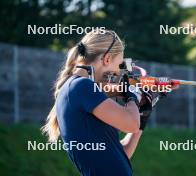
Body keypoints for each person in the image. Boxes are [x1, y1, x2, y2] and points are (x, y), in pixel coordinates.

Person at [41, 30, 157, 176]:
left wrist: (143, 113)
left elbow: (120, 155)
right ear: (107, 59)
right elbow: (132, 124)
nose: (118, 73)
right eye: (119, 65)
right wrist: (132, 95)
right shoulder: (82, 86)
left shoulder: (77, 87)